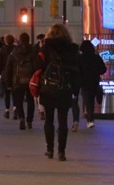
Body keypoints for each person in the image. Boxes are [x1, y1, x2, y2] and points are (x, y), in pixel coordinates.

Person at [34, 23, 81, 161]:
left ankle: (50, 149)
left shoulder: (45, 48)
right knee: (63, 121)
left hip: (48, 89)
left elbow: (37, 66)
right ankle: (61, 151)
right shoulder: (72, 49)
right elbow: (76, 71)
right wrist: (75, 89)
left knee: (49, 120)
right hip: (65, 89)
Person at [3, 32, 37, 130]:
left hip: (17, 80)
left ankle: (21, 118)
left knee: (18, 101)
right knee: (30, 101)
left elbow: (8, 69)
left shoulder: (14, 53)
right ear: (29, 39)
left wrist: (8, 83)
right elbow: (37, 66)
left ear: (20, 40)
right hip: (31, 80)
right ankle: (29, 120)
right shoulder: (33, 51)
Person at [76, 39, 107, 130]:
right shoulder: (96, 57)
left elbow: (78, 71)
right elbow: (103, 69)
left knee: (87, 101)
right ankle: (90, 118)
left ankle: (90, 120)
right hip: (94, 82)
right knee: (91, 101)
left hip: (84, 83)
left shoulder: (80, 58)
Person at [0, 33, 16, 118]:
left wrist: (0, 71)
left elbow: (0, 63)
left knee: (7, 93)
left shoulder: (3, 49)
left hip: (5, 73)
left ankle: (7, 110)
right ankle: (15, 109)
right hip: (15, 73)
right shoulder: (15, 49)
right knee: (15, 93)